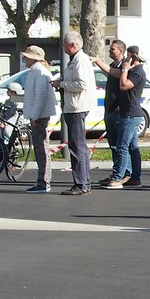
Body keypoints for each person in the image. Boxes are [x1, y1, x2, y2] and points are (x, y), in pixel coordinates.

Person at [93, 40, 146, 188]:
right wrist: (97, 61)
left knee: (122, 146)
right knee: (131, 147)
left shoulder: (136, 72)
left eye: (128, 57)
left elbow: (123, 85)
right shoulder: (126, 69)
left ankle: (119, 177)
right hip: (124, 112)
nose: (126, 60)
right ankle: (132, 177)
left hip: (128, 113)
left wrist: (124, 69)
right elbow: (112, 72)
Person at [54, 30, 97, 196]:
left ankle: (81, 183)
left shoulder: (81, 61)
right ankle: (83, 182)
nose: (63, 46)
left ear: (72, 45)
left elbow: (81, 84)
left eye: (64, 43)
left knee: (77, 147)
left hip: (78, 107)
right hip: (73, 106)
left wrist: (61, 84)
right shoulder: (75, 60)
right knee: (78, 146)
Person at [20, 44, 58, 193]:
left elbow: (40, 97)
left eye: (27, 57)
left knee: (41, 148)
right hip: (38, 115)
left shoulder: (39, 72)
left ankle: (44, 181)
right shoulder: (36, 71)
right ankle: (42, 180)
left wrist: (34, 116)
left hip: (40, 116)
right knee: (40, 148)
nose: (24, 59)